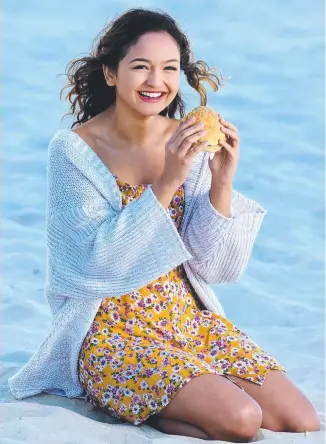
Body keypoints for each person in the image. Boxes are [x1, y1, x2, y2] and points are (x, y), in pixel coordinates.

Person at [8, 7, 320, 442]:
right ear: (111, 74)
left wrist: (221, 183)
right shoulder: (74, 150)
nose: (156, 81)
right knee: (242, 421)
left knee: (300, 419)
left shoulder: (186, 139)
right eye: (141, 67)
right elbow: (91, 267)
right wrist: (169, 178)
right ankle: (126, 402)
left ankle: (187, 397)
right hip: (111, 331)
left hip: (189, 320)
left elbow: (216, 269)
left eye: (169, 68)